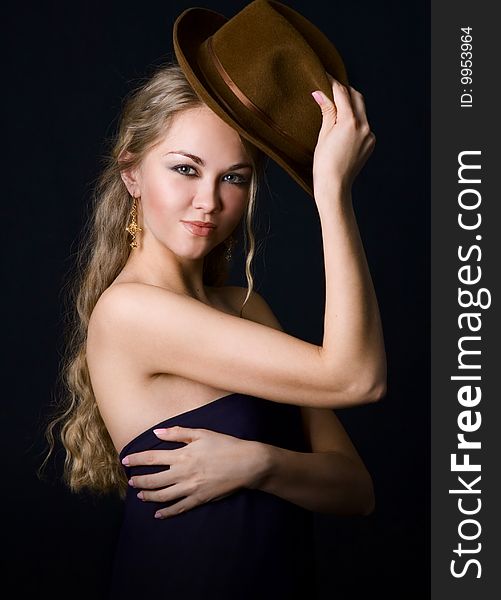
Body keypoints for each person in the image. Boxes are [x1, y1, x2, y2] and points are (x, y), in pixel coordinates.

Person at [40, 1, 386, 598]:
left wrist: (259, 464)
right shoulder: (131, 314)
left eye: (234, 177)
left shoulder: (245, 307)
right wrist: (332, 195)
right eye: (184, 169)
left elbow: (355, 489)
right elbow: (357, 379)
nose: (209, 201)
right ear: (131, 175)